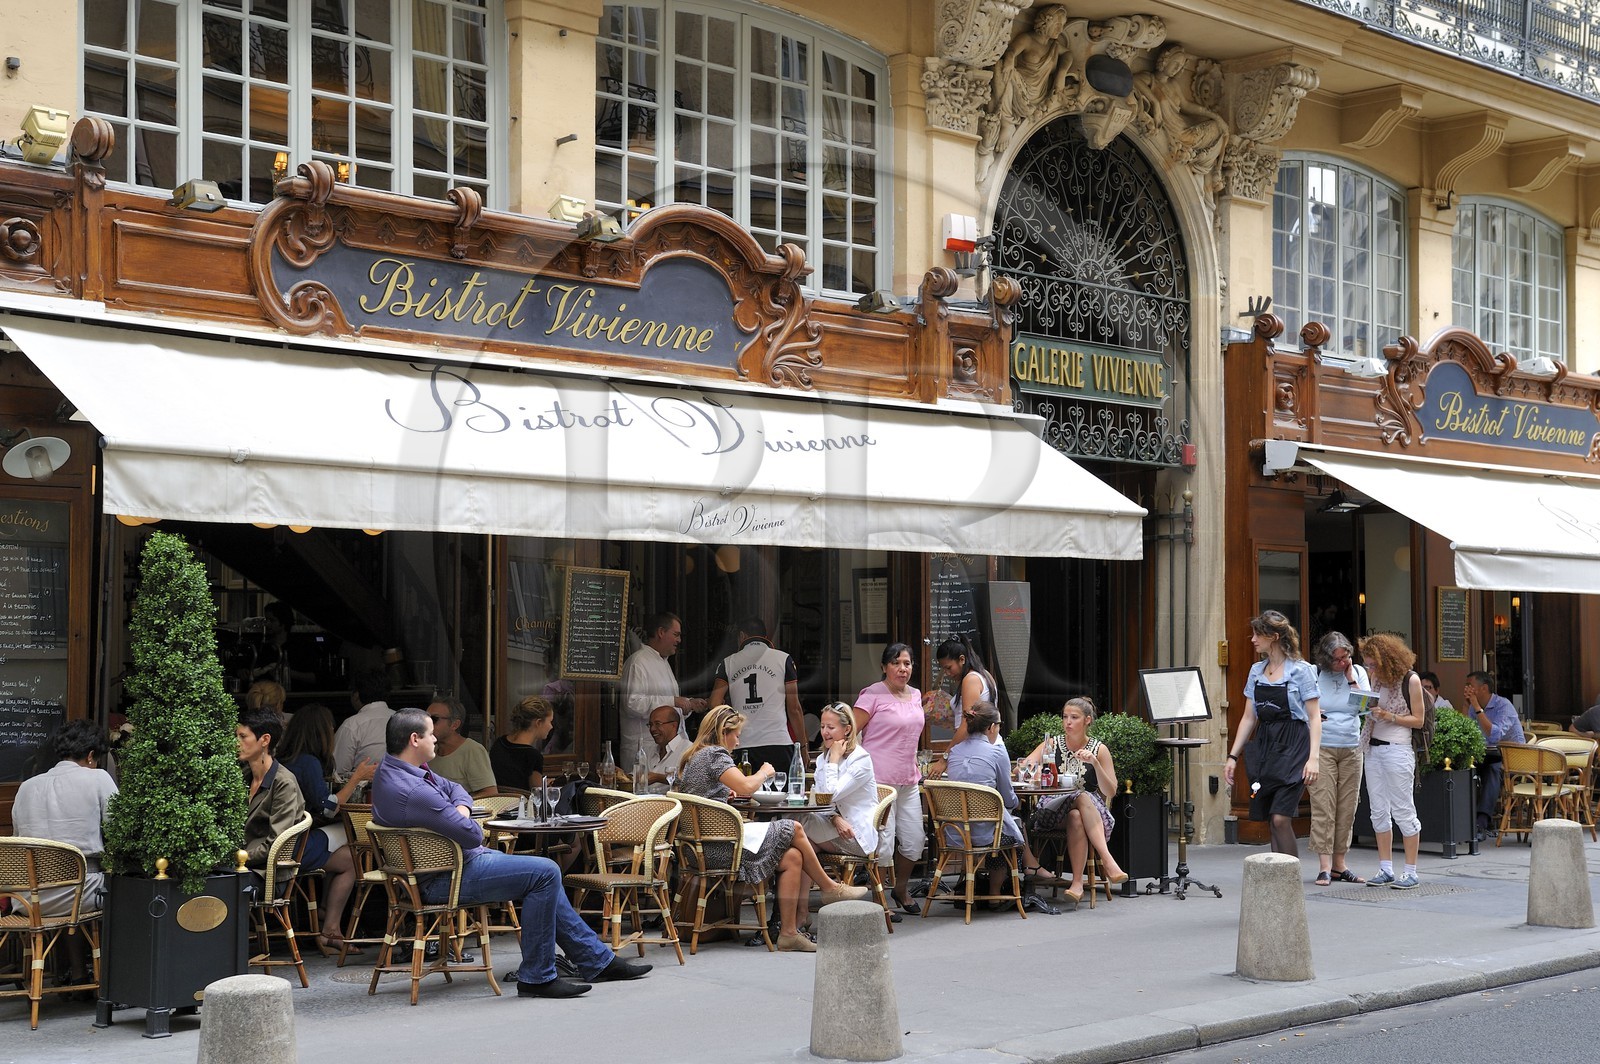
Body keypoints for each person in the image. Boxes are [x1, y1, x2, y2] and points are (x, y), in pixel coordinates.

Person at [372, 708, 650, 997]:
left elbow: (456, 789)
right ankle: (538, 977)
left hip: (441, 871)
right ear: (415, 739)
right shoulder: (414, 789)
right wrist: (464, 814)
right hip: (444, 879)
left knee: (543, 873)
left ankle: (597, 961)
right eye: (431, 734)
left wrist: (461, 809)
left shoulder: (392, 771)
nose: (435, 741)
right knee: (545, 872)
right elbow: (472, 834)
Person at [676, 706, 868, 953]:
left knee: (792, 857)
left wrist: (726, 795)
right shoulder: (715, 755)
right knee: (795, 827)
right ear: (723, 733)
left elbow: (708, 794)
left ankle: (789, 934)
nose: (739, 739)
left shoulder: (695, 755)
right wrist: (765, 772)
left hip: (705, 847)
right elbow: (747, 786)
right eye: (736, 734)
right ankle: (830, 888)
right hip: (719, 848)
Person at [11, 719, 117, 989]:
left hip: (28, 899)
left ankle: (75, 973)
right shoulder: (98, 779)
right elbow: (120, 830)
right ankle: (114, 980)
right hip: (79, 894)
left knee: (75, 882)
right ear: (92, 756)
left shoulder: (26, 787)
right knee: (124, 889)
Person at [277, 703, 374, 956]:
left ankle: (325, 913)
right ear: (321, 731)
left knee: (345, 850)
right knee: (353, 858)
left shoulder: (287, 759)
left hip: (282, 841)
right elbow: (328, 808)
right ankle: (331, 928)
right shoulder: (308, 762)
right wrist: (357, 777)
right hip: (294, 847)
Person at [1224, 610, 1321, 857]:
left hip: (1294, 744)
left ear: (1274, 637)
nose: (1253, 639)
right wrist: (1233, 757)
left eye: (1258, 634)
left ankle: (1290, 878)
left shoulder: (1302, 671)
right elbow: (1249, 717)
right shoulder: (1256, 671)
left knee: (1280, 818)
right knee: (1270, 816)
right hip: (1267, 744)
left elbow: (1314, 717)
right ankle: (1278, 881)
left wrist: (1314, 758)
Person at [943, 701, 1064, 894]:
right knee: (1008, 829)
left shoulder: (954, 752)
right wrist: (1017, 802)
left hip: (954, 832)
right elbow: (1008, 800)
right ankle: (996, 893)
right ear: (991, 727)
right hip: (985, 832)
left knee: (1003, 823)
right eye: (999, 725)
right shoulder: (997, 752)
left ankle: (988, 886)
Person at [1022, 696, 1126, 901]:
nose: (1068, 722)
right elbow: (1024, 767)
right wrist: (1032, 770)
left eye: (1074, 717)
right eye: (1065, 717)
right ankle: (1107, 859)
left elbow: (1110, 791)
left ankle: (1077, 883)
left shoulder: (1099, 749)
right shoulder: (1052, 744)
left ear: (1087, 720)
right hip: (1051, 811)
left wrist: (1095, 764)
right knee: (1081, 796)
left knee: (1077, 815)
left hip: (1090, 815)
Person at [853, 643, 929, 917]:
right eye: (896, 663)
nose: (902, 668)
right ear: (884, 667)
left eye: (907, 663)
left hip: (908, 779)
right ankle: (880, 897)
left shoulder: (916, 695)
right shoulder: (872, 694)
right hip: (878, 781)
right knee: (883, 843)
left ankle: (901, 888)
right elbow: (849, 732)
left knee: (914, 841)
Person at [1357, 633, 1426, 889]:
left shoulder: (1411, 680)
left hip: (1397, 748)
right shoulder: (1376, 679)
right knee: (1378, 810)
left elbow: (1418, 720)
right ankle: (1385, 868)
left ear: (1387, 660)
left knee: (1403, 809)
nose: (1370, 669)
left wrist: (1389, 716)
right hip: (1373, 749)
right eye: (1367, 664)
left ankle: (1410, 871)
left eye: (1373, 664)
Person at [1310, 632, 1368, 885]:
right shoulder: (1314, 674)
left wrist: (1352, 681)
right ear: (1325, 659)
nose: (1343, 662)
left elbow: (1366, 707)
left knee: (1347, 807)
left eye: (1346, 657)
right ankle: (1324, 866)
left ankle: (1339, 865)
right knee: (1324, 805)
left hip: (1351, 746)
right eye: (1337, 659)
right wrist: (1313, 713)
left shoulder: (1357, 672)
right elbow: (1301, 707)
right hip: (1322, 747)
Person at [709, 617, 803, 773]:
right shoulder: (784, 659)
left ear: (741, 636)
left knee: (743, 795)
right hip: (778, 742)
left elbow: (714, 703)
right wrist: (803, 747)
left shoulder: (728, 662)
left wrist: (730, 726)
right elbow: (794, 709)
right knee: (781, 795)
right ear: (766, 638)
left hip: (742, 743)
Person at [619, 611, 705, 773]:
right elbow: (632, 703)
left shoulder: (664, 662)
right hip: (644, 747)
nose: (679, 640)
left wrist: (688, 704)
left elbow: (671, 704)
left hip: (670, 750)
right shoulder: (638, 662)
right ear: (660, 632)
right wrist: (674, 701)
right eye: (676, 634)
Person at [237, 710, 307, 892]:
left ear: (265, 740)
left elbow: (275, 844)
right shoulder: (243, 776)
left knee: (214, 888)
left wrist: (236, 856)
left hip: (265, 874)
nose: (236, 742)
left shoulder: (284, 783)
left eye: (243, 737)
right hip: (240, 867)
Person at [802, 702, 878, 859]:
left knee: (798, 822)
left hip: (855, 836)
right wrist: (834, 818)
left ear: (847, 729)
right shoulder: (825, 758)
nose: (824, 732)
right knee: (800, 848)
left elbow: (830, 795)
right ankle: (826, 884)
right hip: (832, 827)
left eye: (830, 727)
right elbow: (819, 800)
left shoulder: (860, 759)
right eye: (822, 727)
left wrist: (834, 761)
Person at [1462, 670, 1525, 840]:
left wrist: (1476, 708)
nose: (1467, 689)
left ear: (1483, 688)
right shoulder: (1472, 708)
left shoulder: (1503, 706)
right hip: (1488, 753)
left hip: (1514, 758)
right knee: (1465, 768)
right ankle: (1464, 819)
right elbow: (1470, 734)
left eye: (1470, 686)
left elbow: (1495, 735)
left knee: (1492, 770)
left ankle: (1481, 822)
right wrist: (1468, 706)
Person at [933, 634, 999, 747]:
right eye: (944, 669)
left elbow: (967, 724)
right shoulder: (985, 674)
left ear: (962, 659)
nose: (947, 673)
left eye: (948, 668)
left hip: (975, 747)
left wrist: (945, 757)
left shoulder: (970, 680)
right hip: (986, 744)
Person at [426, 695, 497, 799]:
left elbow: (490, 793)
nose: (427, 724)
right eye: (425, 718)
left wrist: (459, 803)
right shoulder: (429, 751)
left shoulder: (472, 750)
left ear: (455, 724)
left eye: (434, 719)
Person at [334, 668, 394, 775]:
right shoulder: (403, 720)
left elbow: (337, 772)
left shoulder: (352, 725)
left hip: (366, 790)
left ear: (356, 695)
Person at [490, 695, 555, 791]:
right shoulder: (533, 756)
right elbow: (537, 792)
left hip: (498, 802)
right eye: (550, 721)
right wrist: (545, 786)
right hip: (521, 804)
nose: (551, 727)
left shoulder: (499, 743)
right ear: (538, 722)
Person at [641, 705, 690, 792]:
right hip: (646, 803)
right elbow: (638, 777)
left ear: (673, 726)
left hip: (674, 804)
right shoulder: (649, 750)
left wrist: (659, 778)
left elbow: (692, 781)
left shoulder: (688, 750)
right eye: (650, 724)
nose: (652, 729)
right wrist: (620, 775)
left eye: (658, 724)